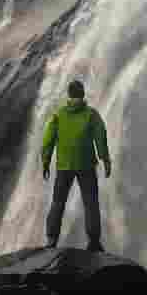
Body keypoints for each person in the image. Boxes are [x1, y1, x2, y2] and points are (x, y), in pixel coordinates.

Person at [42, 80, 111, 251]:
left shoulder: (58, 115)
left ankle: (51, 239)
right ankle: (94, 241)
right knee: (91, 203)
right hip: (86, 165)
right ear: (83, 94)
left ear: (69, 94)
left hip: (64, 166)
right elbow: (100, 136)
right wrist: (105, 159)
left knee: (58, 202)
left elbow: (48, 140)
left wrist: (45, 162)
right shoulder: (91, 114)